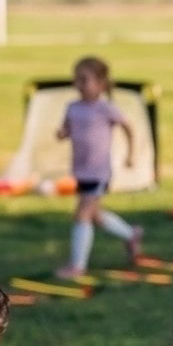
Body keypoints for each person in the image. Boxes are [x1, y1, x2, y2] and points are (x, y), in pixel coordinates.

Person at [54, 58, 141, 282]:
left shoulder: (106, 109)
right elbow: (66, 128)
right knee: (97, 217)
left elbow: (128, 127)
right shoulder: (72, 108)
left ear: (101, 84)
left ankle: (77, 266)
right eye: (77, 79)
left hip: (99, 172)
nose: (79, 84)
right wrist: (62, 133)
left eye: (85, 79)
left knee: (81, 215)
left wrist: (131, 154)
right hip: (80, 171)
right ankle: (131, 235)